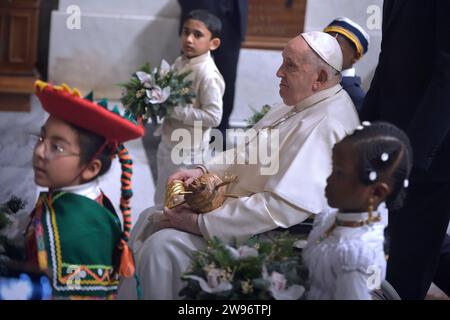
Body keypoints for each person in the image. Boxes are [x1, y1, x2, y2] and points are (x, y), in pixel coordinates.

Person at [118, 31, 360, 300]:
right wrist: (202, 170)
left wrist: (202, 223)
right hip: (235, 213)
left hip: (271, 237)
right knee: (147, 219)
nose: (279, 73)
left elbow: (279, 207)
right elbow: (245, 152)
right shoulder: (297, 104)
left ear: (321, 78)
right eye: (282, 61)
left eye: (290, 65)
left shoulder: (329, 124)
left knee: (160, 247)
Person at [360, 0, 450, 299]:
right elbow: (389, 62)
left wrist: (413, 152)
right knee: (392, 240)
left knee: (411, 253)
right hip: (390, 137)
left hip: (430, 151)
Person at [25, 81, 145, 299]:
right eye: (42, 138)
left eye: (57, 147)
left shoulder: (72, 233)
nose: (40, 152)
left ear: (91, 168)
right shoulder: (82, 200)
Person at [303, 121, 413, 300]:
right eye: (332, 169)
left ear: (376, 192)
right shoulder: (329, 218)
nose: (328, 179)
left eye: (339, 173)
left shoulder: (356, 255)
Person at [154, 9, 225, 205]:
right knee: (161, 195)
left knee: (176, 200)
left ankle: (166, 233)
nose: (189, 39)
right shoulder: (180, 61)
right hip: (169, 141)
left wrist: (173, 110)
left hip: (187, 150)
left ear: (214, 43)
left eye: (197, 34)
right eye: (185, 32)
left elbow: (214, 116)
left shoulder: (207, 74)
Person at [178, 0, 248, 148]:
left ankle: (220, 130)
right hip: (199, 13)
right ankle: (182, 127)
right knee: (188, 74)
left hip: (232, 18)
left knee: (228, 77)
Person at [324, 17, 370, 114]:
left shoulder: (355, 96)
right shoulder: (320, 80)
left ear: (355, 56)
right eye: (324, 45)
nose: (325, 52)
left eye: (336, 47)